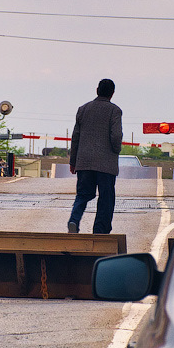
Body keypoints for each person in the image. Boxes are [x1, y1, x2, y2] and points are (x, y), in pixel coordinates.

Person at [67, 78, 123, 234]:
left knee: (83, 194)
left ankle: (74, 220)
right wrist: (115, 150)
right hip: (106, 164)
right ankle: (100, 230)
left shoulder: (83, 109)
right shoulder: (115, 111)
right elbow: (116, 135)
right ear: (112, 93)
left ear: (97, 90)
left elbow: (75, 137)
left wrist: (73, 161)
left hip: (84, 162)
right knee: (106, 198)